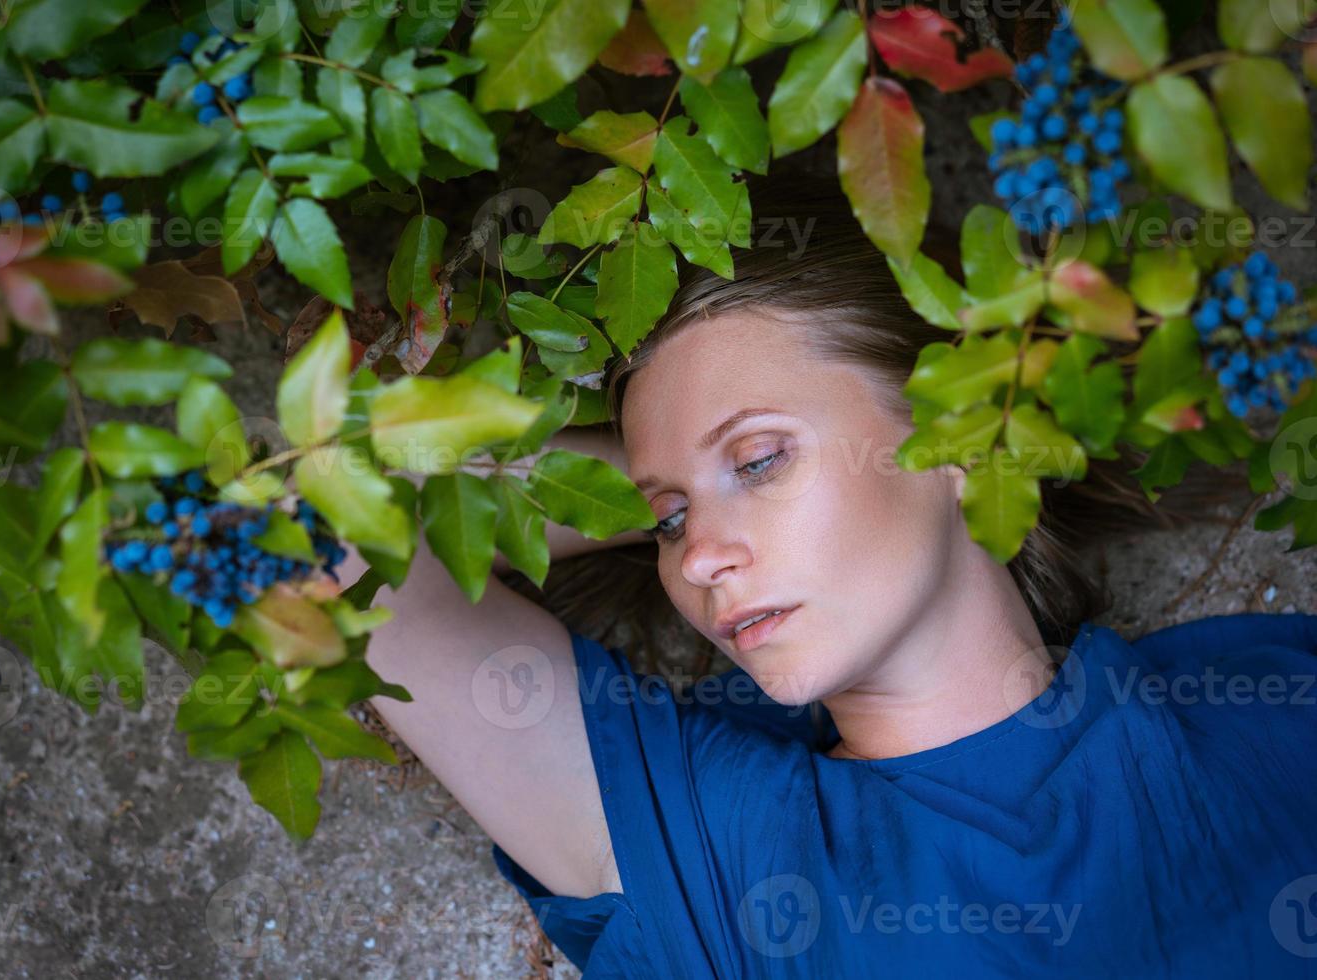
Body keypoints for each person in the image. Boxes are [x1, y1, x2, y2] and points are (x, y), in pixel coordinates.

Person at [343, 173, 1317, 977]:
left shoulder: (1272, 707)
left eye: (762, 459)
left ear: (961, 431)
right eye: (667, 516)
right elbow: (329, 528)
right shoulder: (713, 860)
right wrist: (662, 473)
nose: (695, 555)